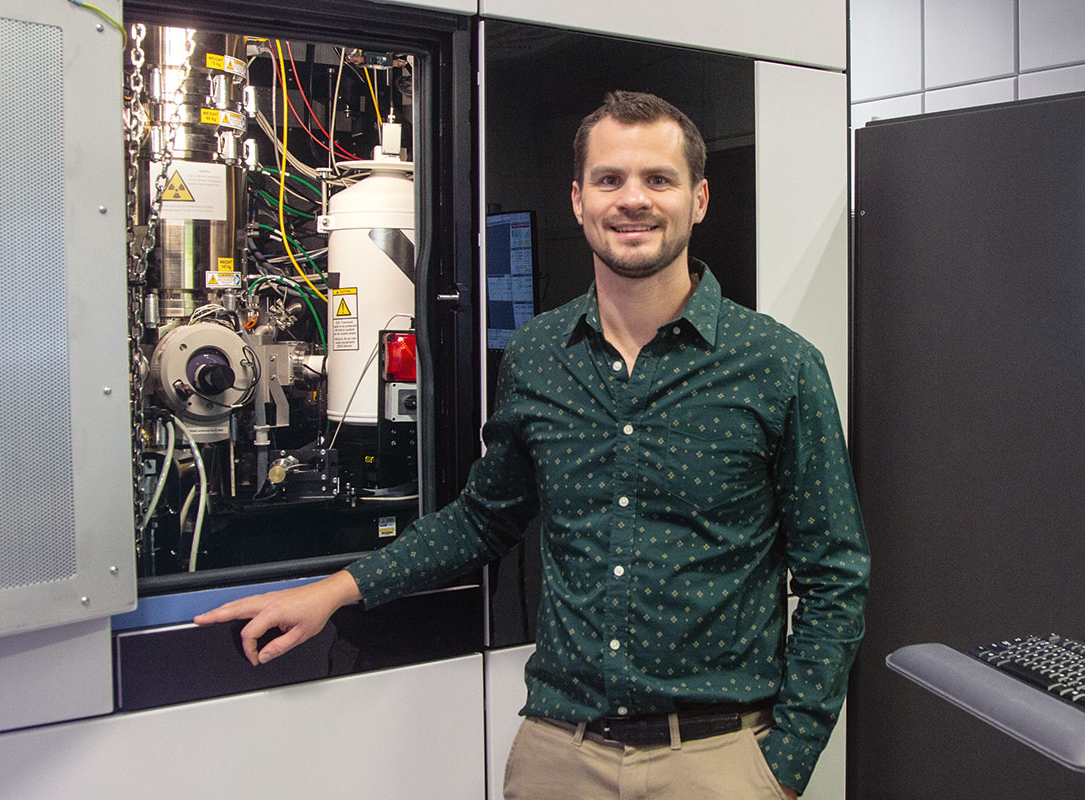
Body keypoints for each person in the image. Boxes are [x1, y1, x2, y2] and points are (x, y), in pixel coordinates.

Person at [196, 90, 869, 799]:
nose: (632, 199)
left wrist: (785, 764)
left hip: (718, 758)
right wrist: (333, 592)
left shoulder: (777, 364)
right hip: (560, 756)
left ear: (698, 200)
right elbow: (484, 518)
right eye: (609, 180)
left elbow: (836, 575)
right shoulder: (539, 354)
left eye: (658, 180)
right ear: (578, 200)